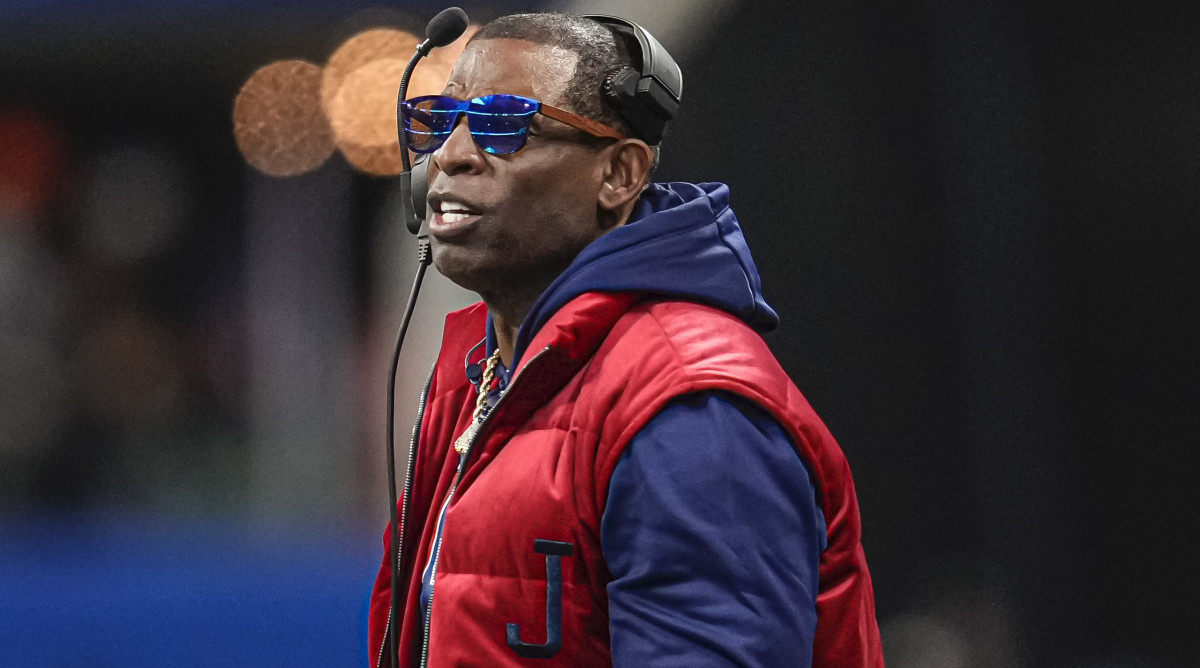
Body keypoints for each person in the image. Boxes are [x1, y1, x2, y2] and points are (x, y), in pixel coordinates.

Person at [368, 12, 883, 668]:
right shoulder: (483, 381)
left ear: (618, 174)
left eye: (504, 122)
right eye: (438, 120)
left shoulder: (690, 408)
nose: (450, 154)